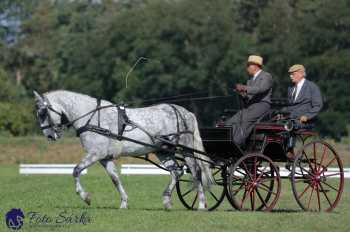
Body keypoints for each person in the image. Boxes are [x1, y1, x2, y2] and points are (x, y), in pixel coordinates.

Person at [225, 55, 273, 147]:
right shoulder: (250, 80)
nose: (247, 68)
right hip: (250, 106)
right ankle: (227, 143)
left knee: (244, 121)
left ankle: (237, 145)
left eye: (248, 65)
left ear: (255, 66)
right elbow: (248, 96)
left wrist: (244, 88)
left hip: (261, 105)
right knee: (231, 122)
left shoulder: (266, 76)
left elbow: (260, 89)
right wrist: (242, 94)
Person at [284, 64, 323, 159]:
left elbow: (318, 105)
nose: (290, 76)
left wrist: (307, 116)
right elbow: (289, 106)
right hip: (290, 119)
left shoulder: (312, 87)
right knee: (273, 124)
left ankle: (289, 149)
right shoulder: (291, 89)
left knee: (290, 125)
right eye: (290, 74)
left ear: (301, 73)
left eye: (293, 74)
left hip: (305, 121)